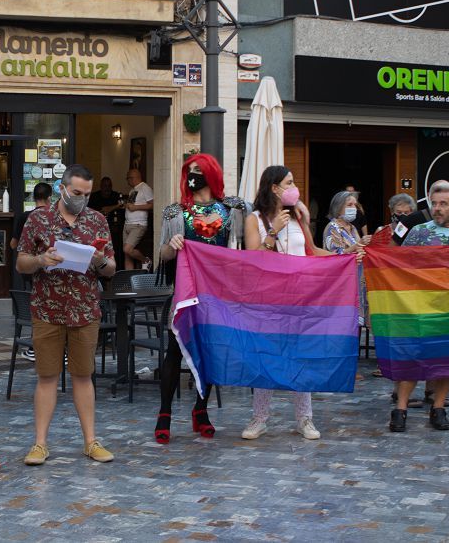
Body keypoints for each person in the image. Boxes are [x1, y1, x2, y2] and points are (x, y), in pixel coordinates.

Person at [16, 164, 117, 466]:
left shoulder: (97, 220)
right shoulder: (39, 219)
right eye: (77, 193)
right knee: (47, 377)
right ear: (62, 188)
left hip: (85, 308)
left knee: (83, 376)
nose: (82, 198)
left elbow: (111, 267)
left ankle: (91, 441)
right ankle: (40, 444)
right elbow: (21, 262)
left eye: (86, 194)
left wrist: (100, 261)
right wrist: (40, 259)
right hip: (48, 308)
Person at [153, 154, 248, 443]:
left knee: (210, 352)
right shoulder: (175, 212)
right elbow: (162, 255)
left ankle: (201, 409)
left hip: (217, 293)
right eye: (189, 170)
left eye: (198, 170)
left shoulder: (232, 209)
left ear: (211, 172)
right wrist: (172, 245)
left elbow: (240, 250)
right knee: (174, 350)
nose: (193, 175)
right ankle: (164, 413)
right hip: (184, 291)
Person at [242, 166, 331, 441]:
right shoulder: (254, 219)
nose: (294, 187)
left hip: (299, 297)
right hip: (268, 298)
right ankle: (260, 418)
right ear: (274, 188)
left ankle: (305, 419)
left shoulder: (299, 217)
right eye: (289, 183)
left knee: (299, 356)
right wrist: (273, 232)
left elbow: (312, 251)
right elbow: (252, 258)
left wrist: (345, 257)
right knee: (266, 356)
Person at [389, 180, 449, 433]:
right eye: (434, 203)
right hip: (420, 307)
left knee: (446, 359)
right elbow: (400, 263)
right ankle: (400, 409)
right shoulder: (418, 232)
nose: (437, 208)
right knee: (413, 357)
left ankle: (438, 408)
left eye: (443, 204)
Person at [11, 182, 52, 352]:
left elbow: (13, 244)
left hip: (28, 270)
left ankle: (35, 346)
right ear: (50, 198)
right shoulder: (51, 217)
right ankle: (47, 346)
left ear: (33, 197)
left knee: (34, 303)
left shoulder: (23, 216)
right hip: (48, 270)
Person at [122, 168, 154, 269]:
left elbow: (153, 205)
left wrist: (135, 207)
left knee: (127, 249)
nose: (127, 181)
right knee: (127, 255)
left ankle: (146, 260)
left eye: (128, 178)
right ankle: (129, 282)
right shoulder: (133, 190)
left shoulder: (145, 188)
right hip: (127, 224)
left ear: (133, 178)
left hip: (138, 225)